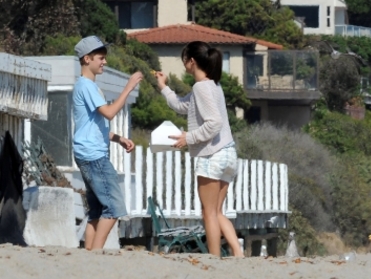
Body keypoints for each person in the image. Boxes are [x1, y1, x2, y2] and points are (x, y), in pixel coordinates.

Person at [155, 41, 244, 257]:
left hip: (212, 155)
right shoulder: (213, 86)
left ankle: (214, 259)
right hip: (228, 153)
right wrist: (164, 87)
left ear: (191, 61)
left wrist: (189, 138)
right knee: (217, 211)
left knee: (208, 213)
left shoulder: (200, 87)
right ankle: (239, 254)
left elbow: (213, 123)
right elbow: (183, 106)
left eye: (184, 59)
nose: (183, 63)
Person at [73, 35, 143, 250]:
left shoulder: (84, 86)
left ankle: (88, 257)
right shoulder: (87, 86)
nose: (104, 62)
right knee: (114, 208)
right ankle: (97, 253)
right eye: (100, 58)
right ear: (87, 59)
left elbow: (92, 126)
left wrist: (118, 138)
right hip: (94, 156)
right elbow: (110, 113)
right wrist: (128, 87)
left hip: (86, 153)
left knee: (96, 211)